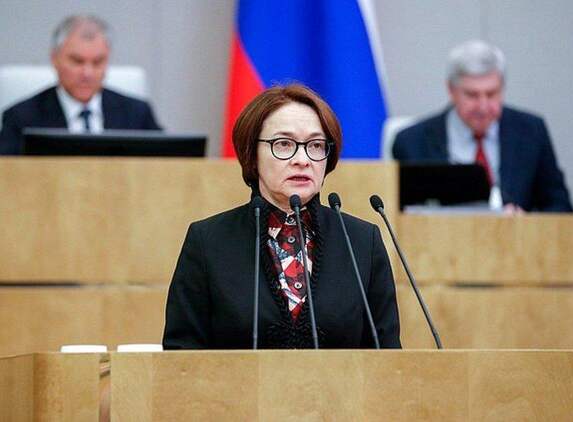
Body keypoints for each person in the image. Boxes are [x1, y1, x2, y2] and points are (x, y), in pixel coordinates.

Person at [163, 84, 401, 349]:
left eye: (316, 145)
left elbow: (388, 358)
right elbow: (181, 357)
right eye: (284, 144)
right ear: (252, 154)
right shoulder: (208, 241)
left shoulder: (362, 242)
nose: (302, 159)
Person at [392, 40, 573, 212]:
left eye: (491, 94)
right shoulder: (412, 142)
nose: (483, 106)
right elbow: (398, 215)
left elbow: (561, 208)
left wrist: (524, 222)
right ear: (451, 90)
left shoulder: (531, 131)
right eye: (472, 95)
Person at [0, 15, 161, 155]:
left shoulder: (137, 114)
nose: (87, 73)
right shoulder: (22, 118)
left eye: (97, 62)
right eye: (77, 61)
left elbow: (166, 163)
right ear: (55, 59)